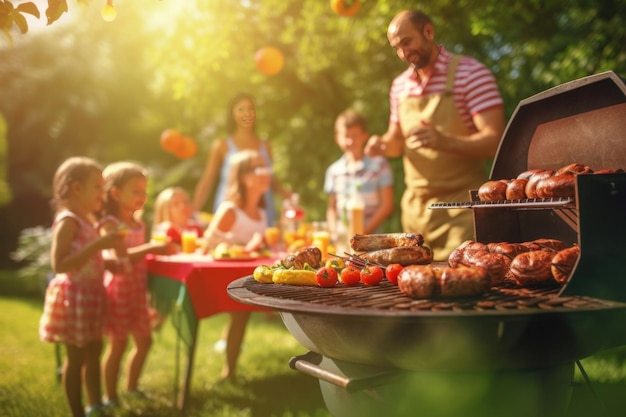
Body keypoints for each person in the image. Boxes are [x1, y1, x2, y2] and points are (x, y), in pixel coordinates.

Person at [365, 9, 506, 260]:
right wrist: (382, 145)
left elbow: (495, 142)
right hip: (414, 215)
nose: (403, 53)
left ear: (428, 32)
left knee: (460, 289)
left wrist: (444, 141)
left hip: (461, 210)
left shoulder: (471, 74)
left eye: (407, 42)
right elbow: (396, 143)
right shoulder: (399, 86)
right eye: (396, 47)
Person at [39, 156, 125, 417]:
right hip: (75, 296)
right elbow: (60, 264)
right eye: (98, 187)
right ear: (77, 188)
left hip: (92, 295)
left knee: (95, 350)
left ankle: (95, 404)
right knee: (76, 358)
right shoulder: (68, 221)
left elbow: (88, 258)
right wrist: (98, 245)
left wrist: (108, 264)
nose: (103, 193)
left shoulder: (86, 219)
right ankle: (78, 412)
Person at [98, 161, 176, 408]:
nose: (142, 197)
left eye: (145, 191)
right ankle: (109, 397)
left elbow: (140, 256)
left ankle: (131, 387)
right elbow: (120, 257)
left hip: (136, 293)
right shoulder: (109, 224)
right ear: (115, 193)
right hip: (118, 292)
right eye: (136, 191)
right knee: (118, 345)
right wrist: (152, 247)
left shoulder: (138, 223)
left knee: (145, 341)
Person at [202, 149, 270, 382]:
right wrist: (244, 247)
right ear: (242, 177)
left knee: (242, 317)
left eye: (265, 166)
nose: (265, 172)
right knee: (240, 316)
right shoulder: (230, 210)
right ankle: (228, 372)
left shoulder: (261, 213)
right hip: (225, 281)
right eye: (257, 168)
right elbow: (207, 246)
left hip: (248, 279)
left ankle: (228, 364)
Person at [192, 92, 291, 226]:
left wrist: (287, 195)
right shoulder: (221, 146)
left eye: (251, 108)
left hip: (263, 208)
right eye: (241, 109)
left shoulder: (265, 145)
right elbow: (207, 181)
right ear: (232, 114)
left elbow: (271, 179)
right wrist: (192, 212)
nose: (247, 113)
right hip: (232, 209)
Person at [324, 109, 394, 245]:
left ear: (364, 136)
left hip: (373, 242)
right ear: (337, 138)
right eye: (346, 136)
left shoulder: (379, 164)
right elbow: (332, 208)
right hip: (343, 243)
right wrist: (334, 233)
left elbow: (387, 205)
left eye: (355, 135)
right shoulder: (333, 171)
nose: (350, 141)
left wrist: (360, 236)